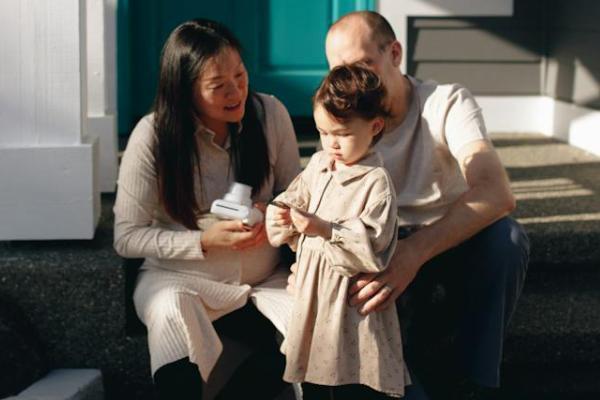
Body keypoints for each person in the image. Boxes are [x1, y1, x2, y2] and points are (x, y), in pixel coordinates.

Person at [288, 11, 530, 399]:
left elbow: (495, 192)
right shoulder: (345, 119)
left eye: (364, 65)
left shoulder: (446, 102)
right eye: (341, 71)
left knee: (506, 239)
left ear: (395, 53)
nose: (356, 84)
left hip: (445, 238)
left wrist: (414, 252)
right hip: (377, 249)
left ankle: (473, 380)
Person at [113, 19, 301, 400]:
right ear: (185, 92)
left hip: (267, 278)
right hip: (179, 278)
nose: (236, 91)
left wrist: (277, 212)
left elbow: (295, 193)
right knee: (170, 314)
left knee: (319, 323)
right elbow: (126, 237)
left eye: (240, 75)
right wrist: (203, 241)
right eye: (218, 85)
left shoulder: (271, 114)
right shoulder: (152, 136)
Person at [266, 63, 410, 399]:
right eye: (323, 132)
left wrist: (322, 228)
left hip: (348, 300)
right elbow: (294, 195)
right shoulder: (319, 165)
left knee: (351, 376)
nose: (331, 143)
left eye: (342, 134)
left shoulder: (375, 183)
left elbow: (374, 242)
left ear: (374, 127)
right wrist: (281, 212)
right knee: (315, 372)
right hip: (314, 294)